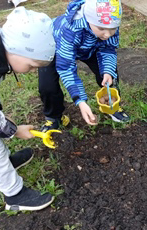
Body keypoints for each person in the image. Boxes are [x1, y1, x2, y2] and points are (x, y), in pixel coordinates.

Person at [0, 7, 56, 211]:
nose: (32, 72)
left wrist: (1, 117)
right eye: (31, 66)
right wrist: (13, 131)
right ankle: (14, 195)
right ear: (14, 49)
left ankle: (6, 163)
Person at [38, 0, 129, 132]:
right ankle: (54, 118)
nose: (108, 34)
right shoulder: (71, 30)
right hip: (56, 47)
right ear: (88, 19)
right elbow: (66, 68)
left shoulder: (109, 22)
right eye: (102, 28)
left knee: (110, 73)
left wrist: (108, 71)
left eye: (113, 29)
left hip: (89, 46)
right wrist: (80, 101)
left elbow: (108, 49)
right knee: (47, 86)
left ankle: (111, 105)